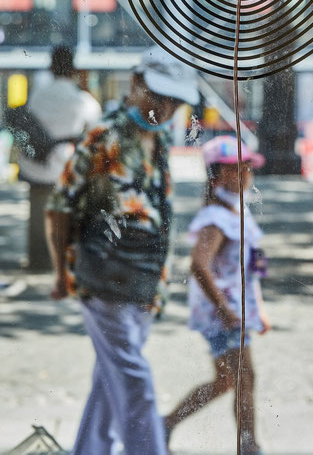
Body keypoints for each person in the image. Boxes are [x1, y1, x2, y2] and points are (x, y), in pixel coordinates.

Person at [45, 47, 199, 455]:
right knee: (132, 381)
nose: (165, 108)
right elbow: (60, 207)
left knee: (110, 378)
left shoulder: (161, 139)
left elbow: (162, 215)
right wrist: (62, 273)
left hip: (144, 280)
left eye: (174, 101)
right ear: (135, 84)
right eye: (158, 96)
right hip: (103, 276)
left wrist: (159, 287)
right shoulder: (103, 137)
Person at [164, 135, 271, 455]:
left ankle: (165, 425)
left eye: (247, 168)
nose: (245, 175)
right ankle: (249, 446)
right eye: (236, 170)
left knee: (228, 380)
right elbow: (199, 264)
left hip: (234, 310)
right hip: (224, 313)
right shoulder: (216, 219)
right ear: (216, 176)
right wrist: (223, 308)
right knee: (244, 377)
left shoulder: (237, 211)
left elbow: (250, 269)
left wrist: (259, 309)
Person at [19, 46, 101, 271]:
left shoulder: (38, 93)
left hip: (36, 164)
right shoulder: (81, 99)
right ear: (73, 68)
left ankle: (37, 260)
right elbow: (96, 129)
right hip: (65, 166)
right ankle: (63, 261)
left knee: (37, 212)